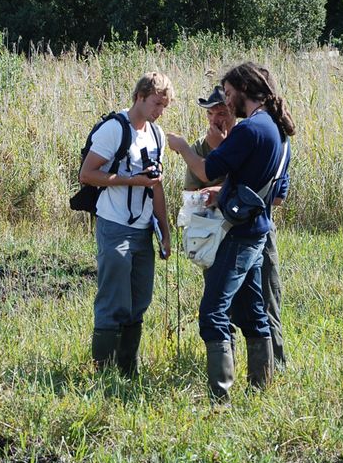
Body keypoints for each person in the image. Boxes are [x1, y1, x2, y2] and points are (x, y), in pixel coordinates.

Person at [168, 62, 295, 398]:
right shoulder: (278, 131)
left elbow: (208, 169)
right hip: (258, 232)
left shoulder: (249, 130)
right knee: (255, 312)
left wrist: (181, 147)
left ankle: (220, 397)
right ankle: (260, 390)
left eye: (227, 93)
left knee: (213, 311)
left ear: (243, 88)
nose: (226, 100)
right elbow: (275, 192)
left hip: (237, 234)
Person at [184, 85, 289, 366]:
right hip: (216, 234)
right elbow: (190, 197)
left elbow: (277, 196)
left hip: (257, 229)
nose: (216, 118)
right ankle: (229, 363)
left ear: (235, 111)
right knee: (222, 304)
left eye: (223, 110)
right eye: (211, 113)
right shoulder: (199, 148)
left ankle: (274, 367)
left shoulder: (254, 136)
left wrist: (223, 187)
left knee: (265, 301)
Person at [80, 72, 174, 375]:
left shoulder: (156, 134)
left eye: (164, 106)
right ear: (140, 96)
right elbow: (87, 174)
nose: (159, 111)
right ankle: (104, 372)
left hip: (144, 229)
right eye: (156, 104)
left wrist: (165, 232)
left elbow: (156, 186)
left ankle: (128, 370)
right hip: (115, 224)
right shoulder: (114, 129)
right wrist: (129, 180)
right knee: (112, 298)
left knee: (139, 298)